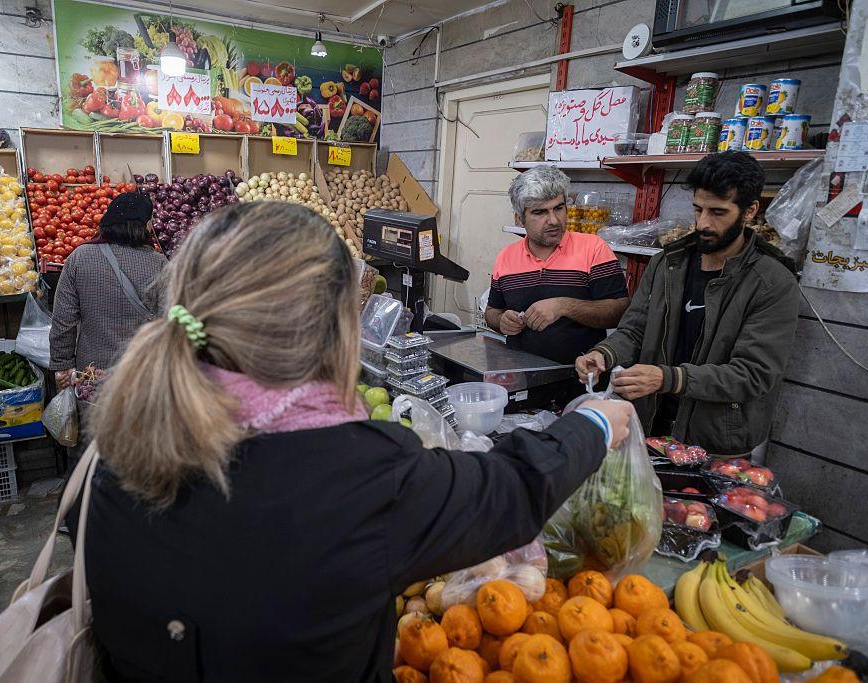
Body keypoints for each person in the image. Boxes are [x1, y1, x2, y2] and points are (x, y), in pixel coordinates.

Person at [69, 202, 633, 681]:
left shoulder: (118, 440)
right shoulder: (356, 474)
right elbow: (509, 491)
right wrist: (596, 423)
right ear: (334, 326)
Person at [576, 151, 799, 456]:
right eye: (698, 210)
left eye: (718, 213)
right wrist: (604, 353)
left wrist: (669, 378)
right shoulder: (668, 264)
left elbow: (753, 375)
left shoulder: (771, 282)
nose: (703, 223)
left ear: (750, 211)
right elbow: (636, 329)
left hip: (714, 443)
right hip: (649, 427)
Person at [485, 165, 630, 364]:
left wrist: (564, 306)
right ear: (519, 219)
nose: (553, 220)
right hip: (521, 376)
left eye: (558, 208)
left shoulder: (593, 248)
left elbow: (620, 311)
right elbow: (492, 312)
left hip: (582, 377)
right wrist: (502, 322)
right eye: (540, 212)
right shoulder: (506, 257)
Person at [49, 191, 167, 388]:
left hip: (91, 374)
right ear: (145, 225)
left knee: (94, 417)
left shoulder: (80, 257)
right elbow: (169, 322)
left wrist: (62, 365)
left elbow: (63, 320)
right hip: (141, 373)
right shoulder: (159, 264)